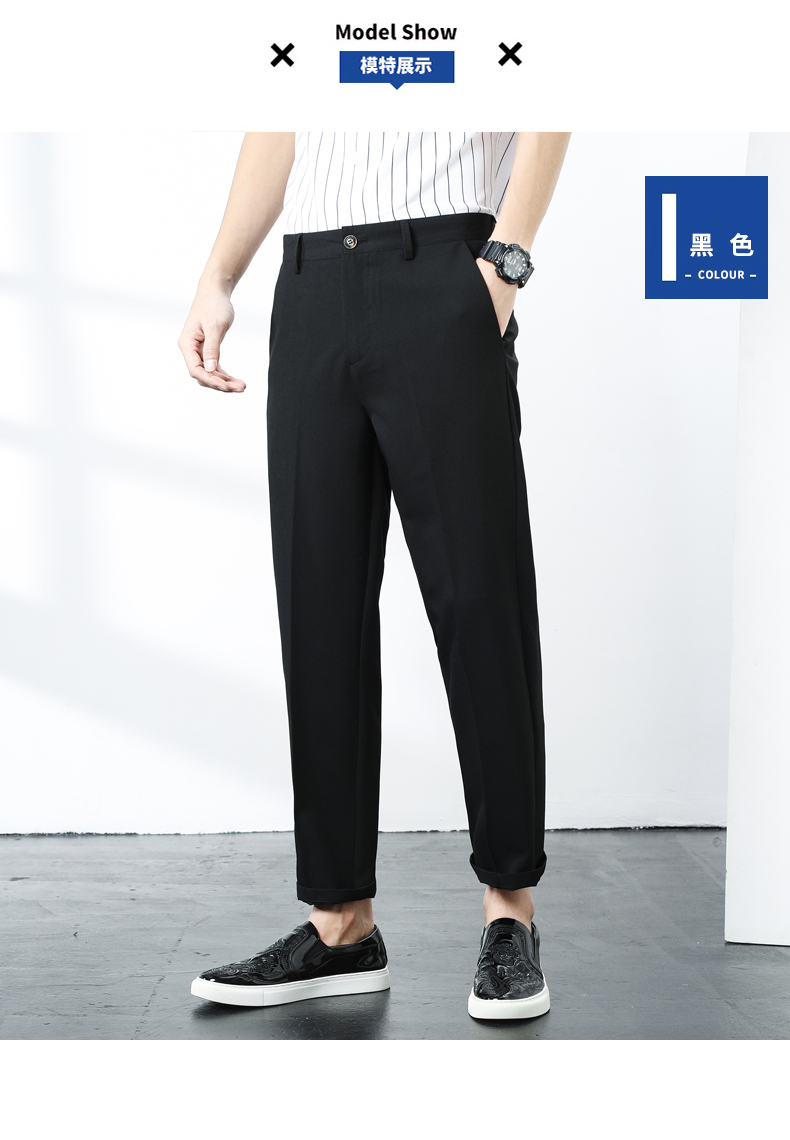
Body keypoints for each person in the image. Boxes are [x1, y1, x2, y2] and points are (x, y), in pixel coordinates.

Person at [179, 132, 571, 1020]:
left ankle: (510, 912)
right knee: (318, 610)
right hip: (311, 280)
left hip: (446, 269)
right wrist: (219, 275)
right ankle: (340, 926)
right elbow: (279, 127)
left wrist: (503, 267)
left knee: (480, 601)